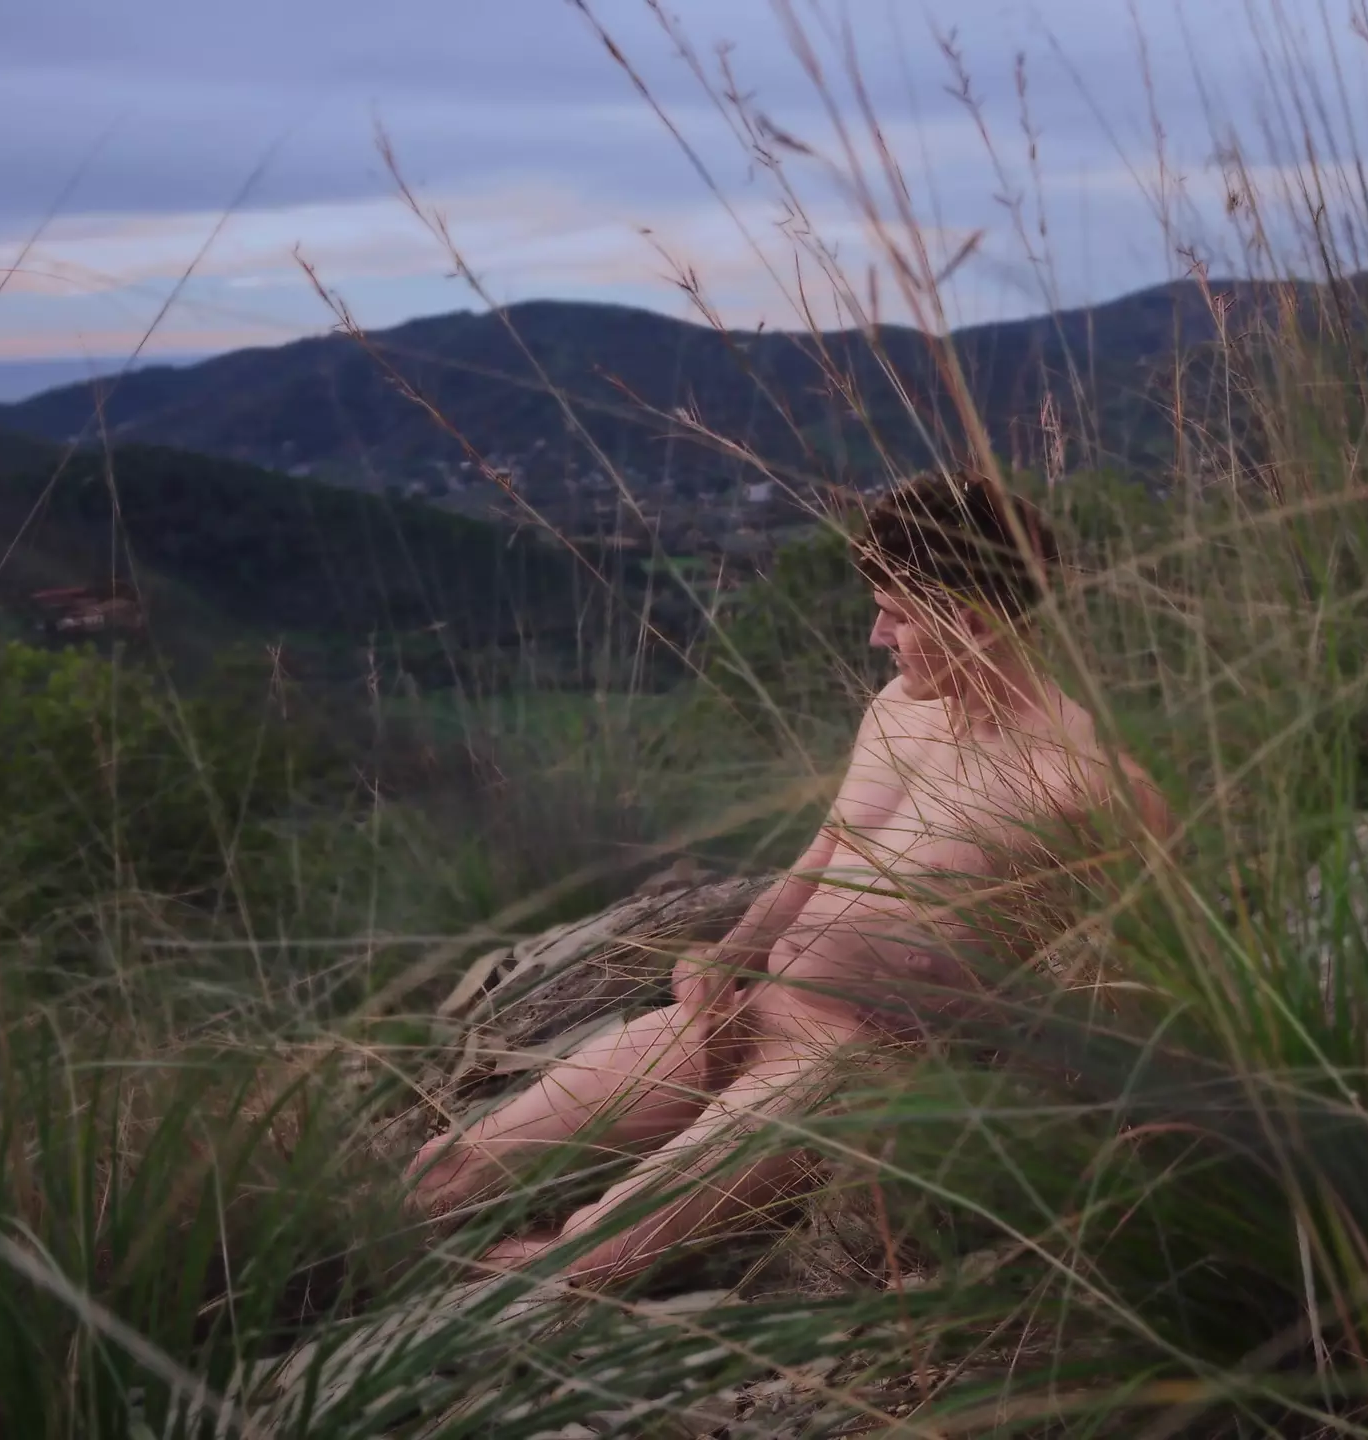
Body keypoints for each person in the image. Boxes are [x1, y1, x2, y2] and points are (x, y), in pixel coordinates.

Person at [404, 469, 1167, 1286]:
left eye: (897, 615)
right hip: (741, 1011)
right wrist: (725, 958)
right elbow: (827, 850)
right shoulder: (899, 708)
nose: (875, 634)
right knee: (448, 1172)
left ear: (971, 620)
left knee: (593, 1256)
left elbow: (1126, 983)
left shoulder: (1087, 786)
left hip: (844, 1069)